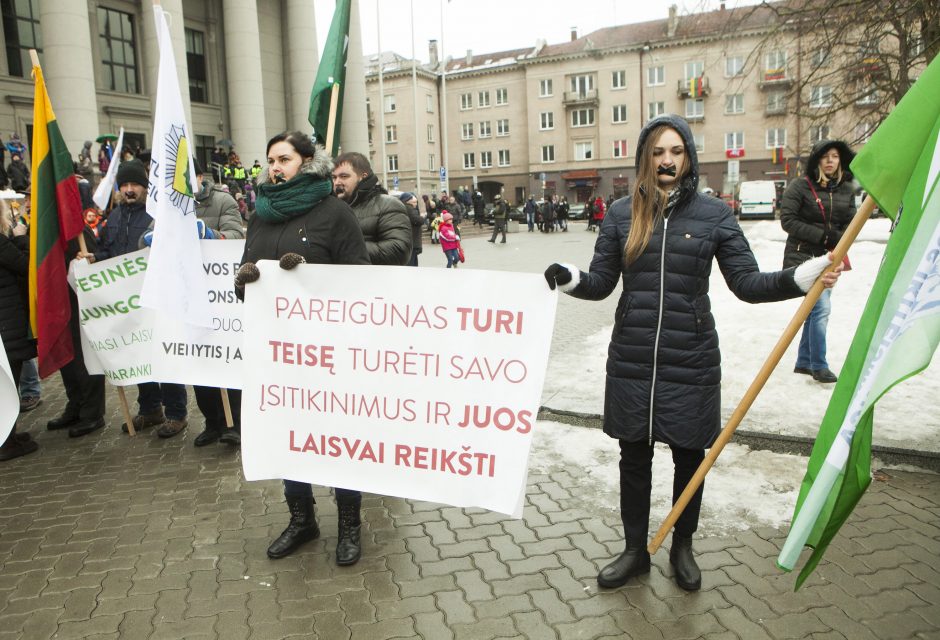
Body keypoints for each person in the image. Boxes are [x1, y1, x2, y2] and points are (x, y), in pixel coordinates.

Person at [543, 115, 842, 592]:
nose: (667, 160)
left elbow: (746, 283)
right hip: (633, 357)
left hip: (692, 357)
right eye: (658, 152)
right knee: (633, 457)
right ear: (646, 156)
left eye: (676, 151)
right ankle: (634, 550)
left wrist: (797, 279)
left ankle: (682, 545)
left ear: (688, 158)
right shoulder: (621, 214)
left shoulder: (714, 214)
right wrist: (570, 278)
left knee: (689, 458)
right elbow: (601, 284)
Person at [233, 130, 370, 564]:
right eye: (270, 160)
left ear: (308, 161)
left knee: (338, 439)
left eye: (284, 159)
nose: (274, 167)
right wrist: (246, 280)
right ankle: (302, 519)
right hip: (276, 351)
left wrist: (311, 279)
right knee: (288, 436)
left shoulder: (335, 213)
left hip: (329, 354)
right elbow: (245, 274)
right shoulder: (260, 214)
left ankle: (349, 523)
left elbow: (360, 283)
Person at [79, 159, 190, 438]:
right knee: (138, 354)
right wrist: (95, 258)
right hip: (128, 303)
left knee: (164, 355)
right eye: (125, 185)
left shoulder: (156, 216)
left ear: (145, 187)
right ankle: (150, 409)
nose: (129, 190)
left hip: (156, 299)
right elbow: (107, 251)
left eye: (135, 185)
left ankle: (177, 413)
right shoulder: (114, 217)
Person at [143, 159, 246, 446]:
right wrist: (151, 239)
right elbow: (148, 239)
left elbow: (237, 237)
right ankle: (212, 423)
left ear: (200, 177)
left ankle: (235, 424)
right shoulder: (169, 207)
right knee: (200, 362)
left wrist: (210, 235)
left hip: (220, 298)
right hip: (188, 298)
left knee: (225, 358)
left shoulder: (223, 201)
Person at [781, 139, 856, 383]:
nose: (830, 161)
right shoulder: (800, 186)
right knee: (821, 308)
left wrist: (841, 242)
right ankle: (818, 365)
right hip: (802, 256)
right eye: (825, 156)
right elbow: (788, 220)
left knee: (814, 309)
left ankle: (804, 361)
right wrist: (823, 236)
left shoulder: (846, 189)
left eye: (834, 156)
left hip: (830, 258)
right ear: (817, 160)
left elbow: (850, 223)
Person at [46, 216, 108, 438]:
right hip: (55, 301)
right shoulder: (42, 228)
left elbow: (91, 260)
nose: (28, 204)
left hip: (77, 301)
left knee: (84, 359)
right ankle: (76, 404)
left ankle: (92, 413)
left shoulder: (76, 227)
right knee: (67, 359)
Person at [0, 198, 38, 461]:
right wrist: (21, 237)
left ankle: (10, 436)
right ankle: (6, 442)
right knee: (7, 383)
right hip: (6, 324)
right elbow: (25, 266)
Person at [331, 152, 411, 266]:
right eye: (334, 177)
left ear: (363, 177)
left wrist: (344, 248)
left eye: (344, 176)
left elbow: (399, 251)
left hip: (373, 281)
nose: (337, 182)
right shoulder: (330, 207)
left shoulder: (388, 205)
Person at [398, 192, 424, 267]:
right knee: (412, 263)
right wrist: (422, 218)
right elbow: (417, 220)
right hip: (412, 240)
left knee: (412, 261)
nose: (416, 204)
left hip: (409, 240)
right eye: (414, 202)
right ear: (408, 201)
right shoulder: (409, 208)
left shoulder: (403, 207)